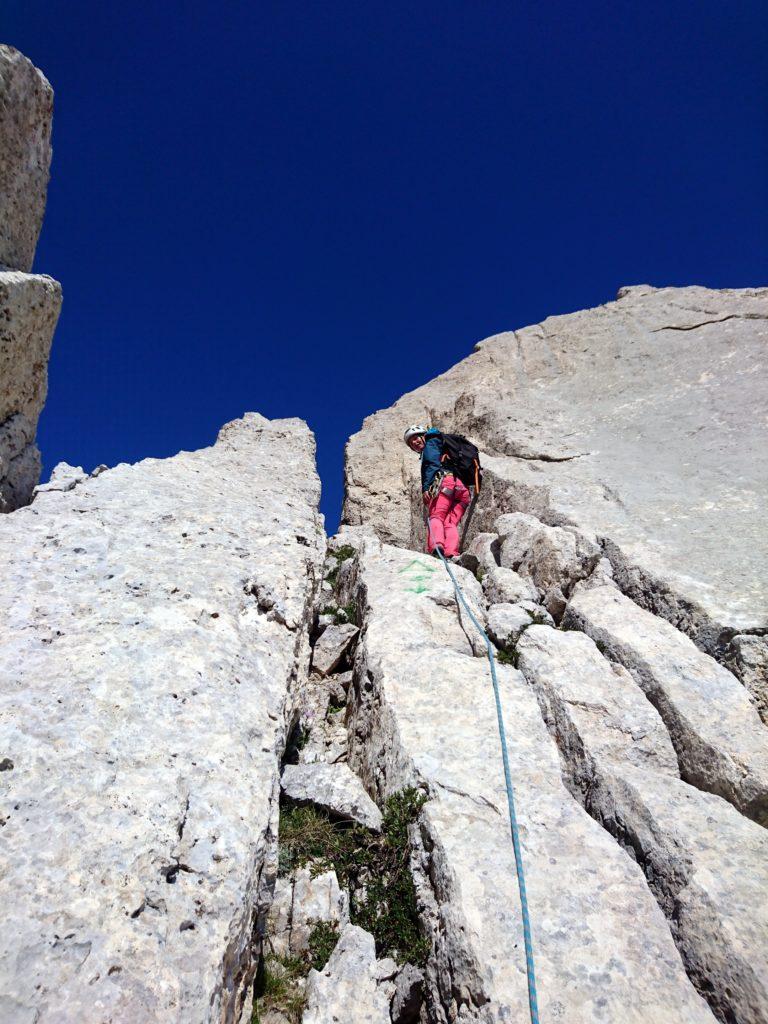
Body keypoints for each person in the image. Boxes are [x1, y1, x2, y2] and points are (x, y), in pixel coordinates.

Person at [403, 425, 471, 560]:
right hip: (462, 490)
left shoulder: (431, 442)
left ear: (424, 435)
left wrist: (426, 488)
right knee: (450, 523)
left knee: (436, 517)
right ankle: (451, 553)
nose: (415, 443)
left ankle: (437, 547)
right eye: (412, 443)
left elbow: (432, 464)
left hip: (446, 484)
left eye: (416, 438)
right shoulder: (441, 443)